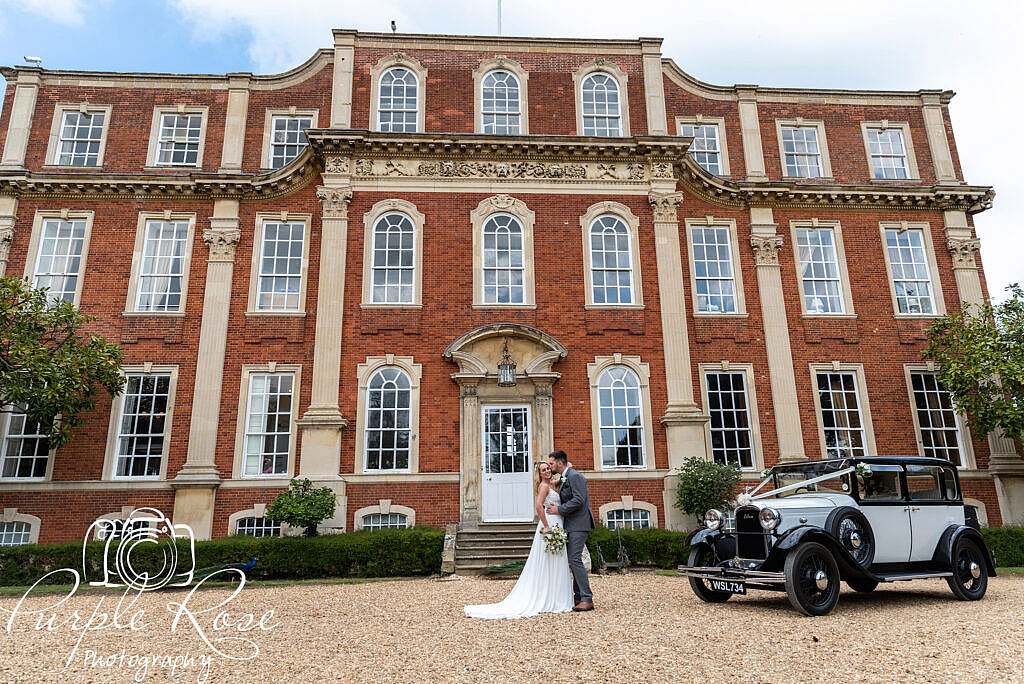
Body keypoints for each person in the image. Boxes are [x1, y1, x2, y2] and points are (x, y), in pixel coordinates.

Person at [463, 460, 574, 619]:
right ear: (539, 474)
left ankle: (555, 596)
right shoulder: (543, 486)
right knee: (548, 561)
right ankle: (551, 598)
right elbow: (538, 506)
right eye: (544, 470)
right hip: (551, 524)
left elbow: (568, 468)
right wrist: (546, 526)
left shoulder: (554, 484)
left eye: (549, 468)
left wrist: (562, 466)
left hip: (558, 523)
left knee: (556, 560)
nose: (548, 471)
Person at [546, 449, 595, 611]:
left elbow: (579, 500)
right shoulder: (565, 476)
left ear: (560, 463)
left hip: (579, 524)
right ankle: (578, 597)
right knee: (573, 560)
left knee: (574, 559)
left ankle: (587, 598)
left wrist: (559, 510)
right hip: (571, 524)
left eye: (552, 463)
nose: (550, 466)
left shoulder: (575, 476)